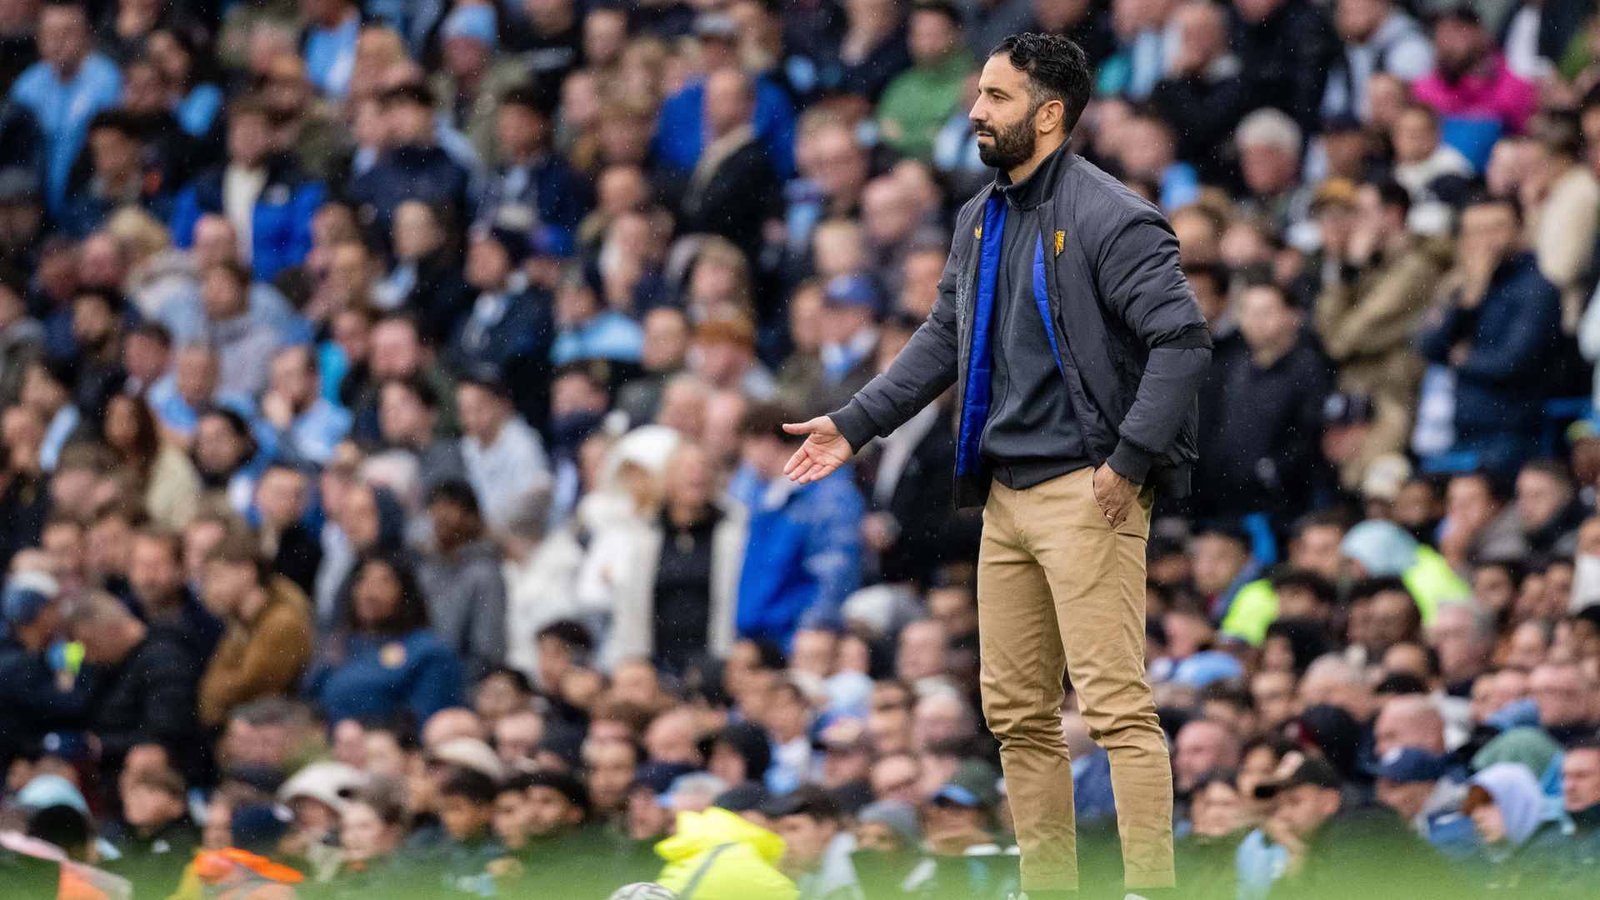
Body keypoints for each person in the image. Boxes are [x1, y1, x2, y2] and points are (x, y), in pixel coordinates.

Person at [783, 33, 1207, 895]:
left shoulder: (1111, 215)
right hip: (1005, 497)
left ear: (1050, 115)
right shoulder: (981, 214)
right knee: (1016, 717)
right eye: (979, 93)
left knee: (1117, 709)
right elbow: (945, 336)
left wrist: (1127, 464)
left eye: (998, 97)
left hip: (1088, 489)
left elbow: (1183, 340)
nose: (975, 111)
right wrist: (856, 424)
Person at [1416, 193, 1562, 476]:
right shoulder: (1465, 286)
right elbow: (1429, 346)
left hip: (1513, 432)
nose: (1485, 240)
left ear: (1520, 230)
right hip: (1458, 428)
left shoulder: (1538, 288)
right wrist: (1470, 298)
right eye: (1475, 231)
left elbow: (1511, 363)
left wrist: (1460, 359)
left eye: (1495, 228)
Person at [305, 551, 466, 727]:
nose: (370, 592)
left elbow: (426, 724)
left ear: (405, 592)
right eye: (363, 580)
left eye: (384, 582)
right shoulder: (339, 645)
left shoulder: (428, 652)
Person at [69, 591, 205, 792]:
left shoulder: (164, 659)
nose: (88, 656)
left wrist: (102, 746)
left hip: (164, 771)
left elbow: (168, 731)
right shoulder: (108, 665)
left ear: (112, 630)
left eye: (89, 644)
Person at [196, 530, 313, 729]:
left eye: (218, 575)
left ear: (247, 572)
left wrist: (214, 696)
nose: (211, 588)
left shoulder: (283, 623)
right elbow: (212, 684)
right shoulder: (240, 625)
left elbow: (251, 686)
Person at [416, 480, 507, 678]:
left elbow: (487, 651)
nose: (440, 517)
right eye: (436, 508)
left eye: (450, 508)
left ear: (473, 518)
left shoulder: (485, 574)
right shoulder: (425, 570)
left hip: (458, 685)